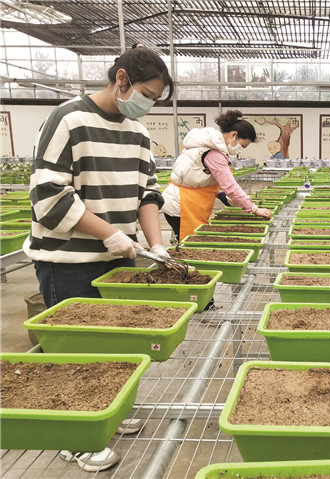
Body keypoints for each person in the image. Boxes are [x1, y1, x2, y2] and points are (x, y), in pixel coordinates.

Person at [24, 45, 174, 471]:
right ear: (121, 79)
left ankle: (108, 412)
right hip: (68, 262)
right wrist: (109, 233)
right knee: (74, 350)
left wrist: (155, 244)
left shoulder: (137, 132)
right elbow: (48, 196)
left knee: (114, 344)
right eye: (146, 94)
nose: (147, 104)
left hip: (121, 258)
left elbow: (148, 194)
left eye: (155, 99)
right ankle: (74, 437)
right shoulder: (69, 119)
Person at [161, 110, 271, 241]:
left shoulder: (207, 146)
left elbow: (197, 177)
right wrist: (254, 208)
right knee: (191, 243)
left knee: (191, 242)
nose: (240, 150)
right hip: (182, 205)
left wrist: (218, 194)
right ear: (234, 135)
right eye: (242, 145)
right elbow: (230, 186)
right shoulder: (214, 153)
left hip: (184, 202)